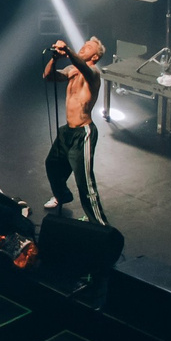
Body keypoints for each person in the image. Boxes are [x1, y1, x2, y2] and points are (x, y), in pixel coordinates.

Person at [42, 37, 107, 222]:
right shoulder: (72, 70)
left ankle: (99, 224)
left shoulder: (93, 73)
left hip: (83, 134)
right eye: (83, 45)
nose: (83, 47)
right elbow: (48, 76)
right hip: (67, 132)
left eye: (88, 47)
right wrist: (54, 59)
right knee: (52, 165)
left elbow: (85, 68)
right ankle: (62, 196)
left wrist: (68, 51)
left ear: (94, 56)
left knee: (84, 183)